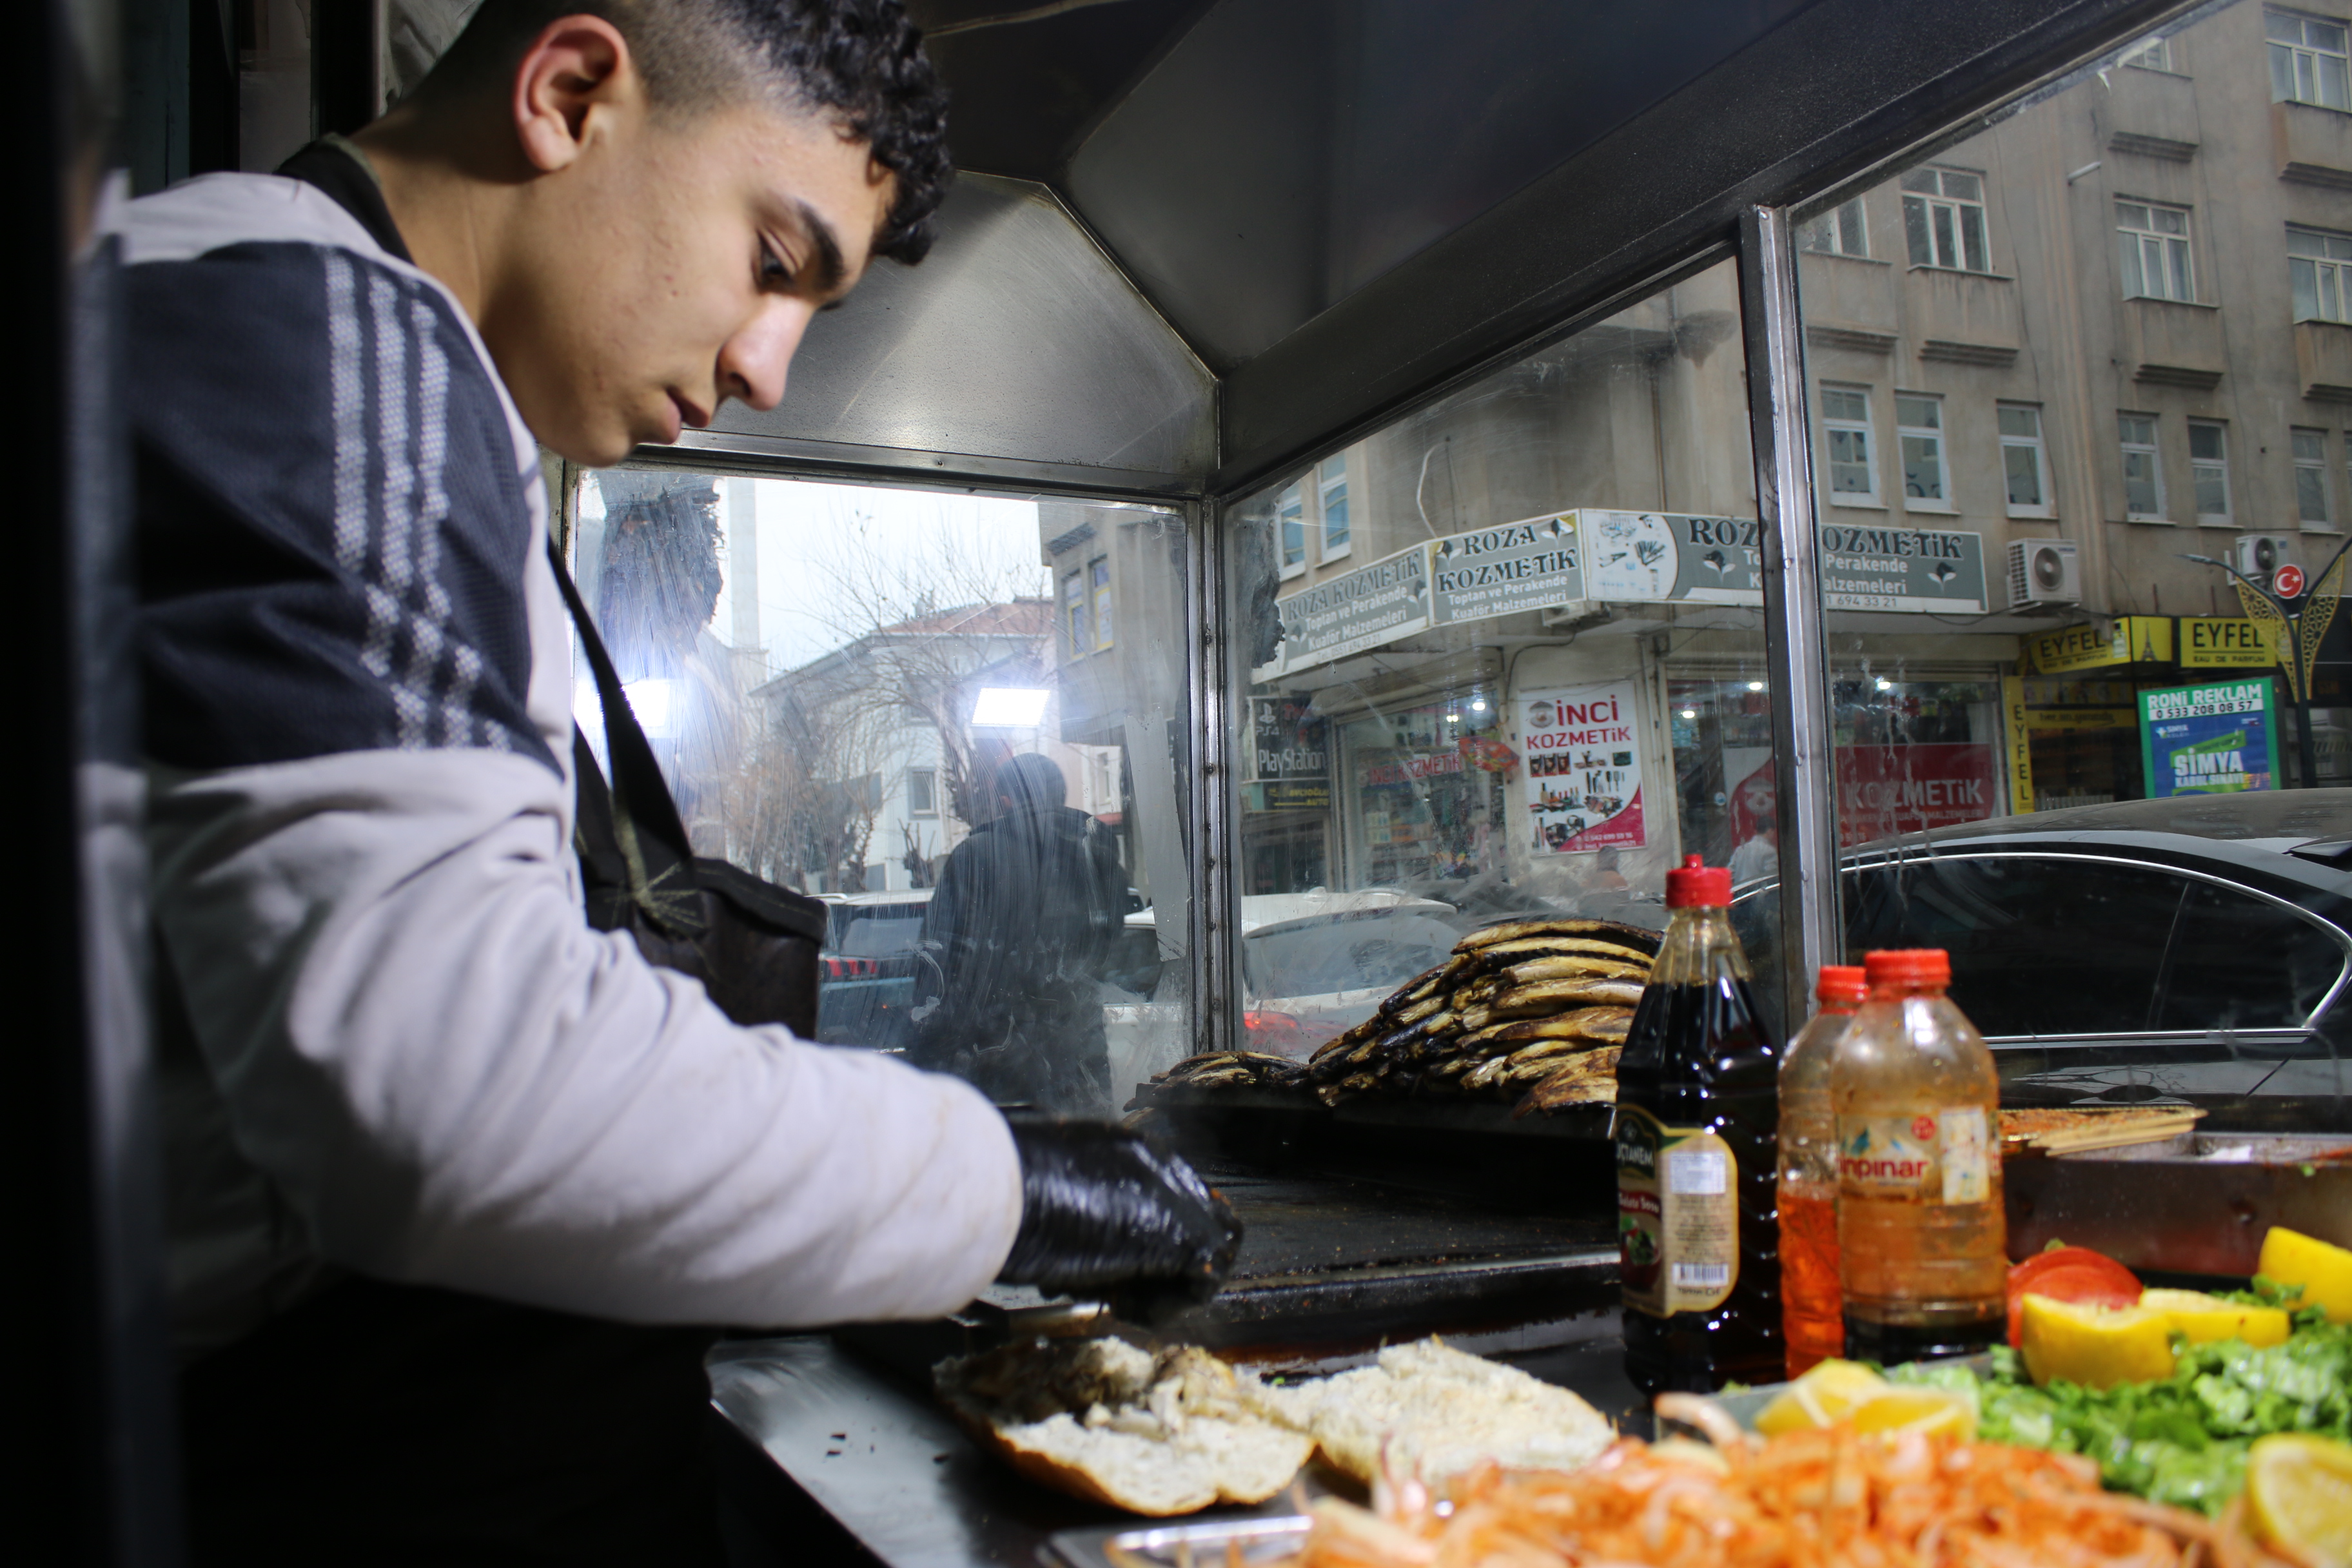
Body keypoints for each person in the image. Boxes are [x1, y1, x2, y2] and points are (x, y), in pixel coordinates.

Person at [125, 3, 1236, 1561]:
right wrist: (1009, 1181)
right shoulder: (329, 336)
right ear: (572, 92)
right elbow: (450, 1085)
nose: (768, 366)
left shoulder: (368, 383)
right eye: (773, 262)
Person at [910, 752, 1130, 1112]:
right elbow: (1107, 942)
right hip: (1076, 1039)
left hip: (995, 1045)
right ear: (1060, 795)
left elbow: (940, 957)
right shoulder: (1098, 857)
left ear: (1005, 800)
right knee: (1081, 1152)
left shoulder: (976, 857)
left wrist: (928, 1048)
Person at [1730, 816, 1779, 884]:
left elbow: (1730, 874)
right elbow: (1771, 879)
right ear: (1770, 831)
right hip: (1758, 893)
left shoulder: (1740, 850)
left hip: (1740, 892)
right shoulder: (1770, 851)